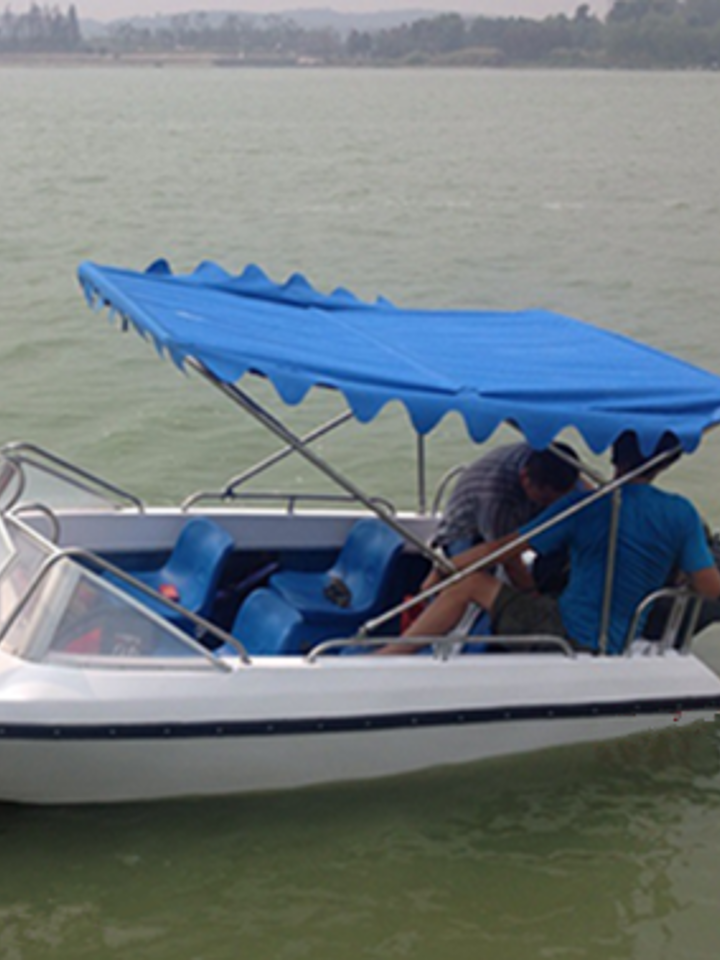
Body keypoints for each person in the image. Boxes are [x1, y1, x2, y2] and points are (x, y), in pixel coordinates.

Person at [383, 432, 720, 656]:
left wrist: (440, 572)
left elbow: (497, 551)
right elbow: (709, 588)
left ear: (613, 455)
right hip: (620, 638)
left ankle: (385, 656)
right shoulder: (682, 514)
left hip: (565, 633)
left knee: (469, 584)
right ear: (667, 463)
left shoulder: (582, 507)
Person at [433, 441, 580, 590]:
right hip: (468, 532)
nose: (552, 506)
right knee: (476, 583)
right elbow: (506, 556)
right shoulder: (496, 497)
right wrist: (531, 595)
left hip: (521, 513)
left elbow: (583, 493)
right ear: (525, 479)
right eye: (545, 500)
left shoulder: (554, 459)